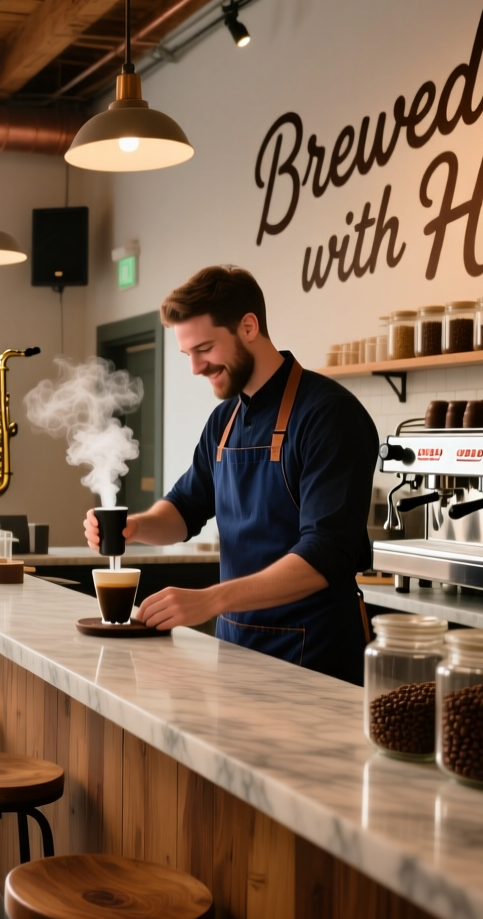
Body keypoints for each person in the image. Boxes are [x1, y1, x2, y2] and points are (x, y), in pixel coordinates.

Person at [84, 266, 377, 685]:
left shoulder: (329, 415)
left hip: (314, 657)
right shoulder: (224, 421)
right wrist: (135, 527)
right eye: (188, 354)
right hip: (236, 648)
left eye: (204, 348)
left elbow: (326, 554)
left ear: (248, 326)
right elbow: (185, 509)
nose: (196, 368)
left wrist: (210, 600)